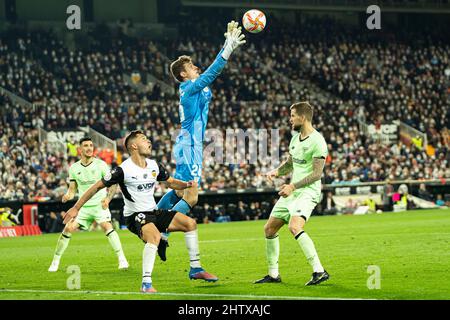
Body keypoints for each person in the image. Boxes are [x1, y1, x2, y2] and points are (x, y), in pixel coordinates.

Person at [62, 130, 218, 293]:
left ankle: (195, 269)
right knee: (154, 237)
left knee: (190, 224)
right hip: (135, 216)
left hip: (153, 212)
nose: (149, 141)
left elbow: (170, 183)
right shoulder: (122, 170)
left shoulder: (154, 165)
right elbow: (96, 187)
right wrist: (76, 208)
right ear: (134, 146)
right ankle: (146, 284)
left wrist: (186, 185)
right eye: (144, 139)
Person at [155, 20, 246, 261]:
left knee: (179, 192)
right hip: (190, 145)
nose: (196, 67)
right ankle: (161, 229)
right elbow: (210, 74)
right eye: (192, 66)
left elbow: (207, 80)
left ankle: (155, 220)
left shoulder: (194, 89)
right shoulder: (188, 88)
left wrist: (225, 45)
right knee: (192, 196)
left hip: (188, 144)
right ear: (183, 74)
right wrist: (227, 49)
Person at [254, 101, 330, 286]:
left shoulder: (318, 141)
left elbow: (317, 173)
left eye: (293, 115)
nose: (290, 119)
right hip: (292, 192)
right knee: (269, 229)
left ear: (303, 118)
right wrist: (276, 171)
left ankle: (319, 271)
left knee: (295, 226)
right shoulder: (295, 138)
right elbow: (290, 162)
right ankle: (273, 275)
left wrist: (293, 186)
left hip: (307, 192)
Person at [48, 137, 129, 272]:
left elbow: (114, 183)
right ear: (80, 149)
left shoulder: (101, 165)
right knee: (68, 228)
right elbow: (72, 190)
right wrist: (68, 196)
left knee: (106, 226)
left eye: (91, 145)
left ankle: (122, 259)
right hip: (83, 208)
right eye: (86, 146)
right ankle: (55, 261)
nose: (89, 148)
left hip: (99, 206)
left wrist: (108, 199)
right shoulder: (74, 168)